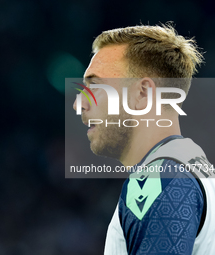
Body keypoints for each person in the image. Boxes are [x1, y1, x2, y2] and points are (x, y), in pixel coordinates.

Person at [73, 24, 215, 254]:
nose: (79, 104)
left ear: (143, 94)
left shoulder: (160, 178)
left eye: (96, 86)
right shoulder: (195, 169)